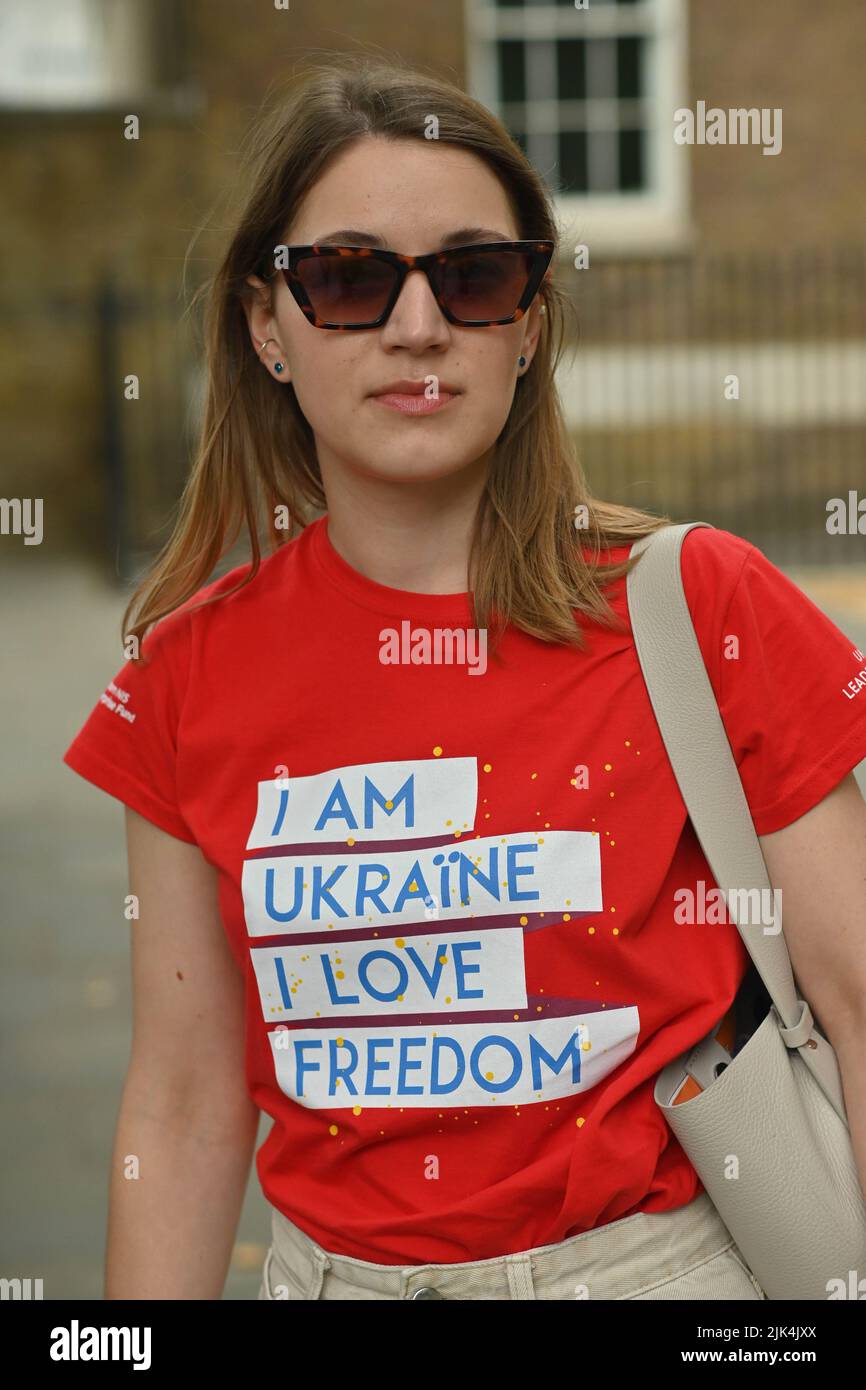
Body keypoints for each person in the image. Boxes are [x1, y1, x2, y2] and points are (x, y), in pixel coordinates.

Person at [62, 56, 866, 1302]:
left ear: (527, 323)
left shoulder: (698, 603)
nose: (417, 323)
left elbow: (858, 1000)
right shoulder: (182, 675)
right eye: (347, 275)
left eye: (473, 274)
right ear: (265, 328)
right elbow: (178, 1106)